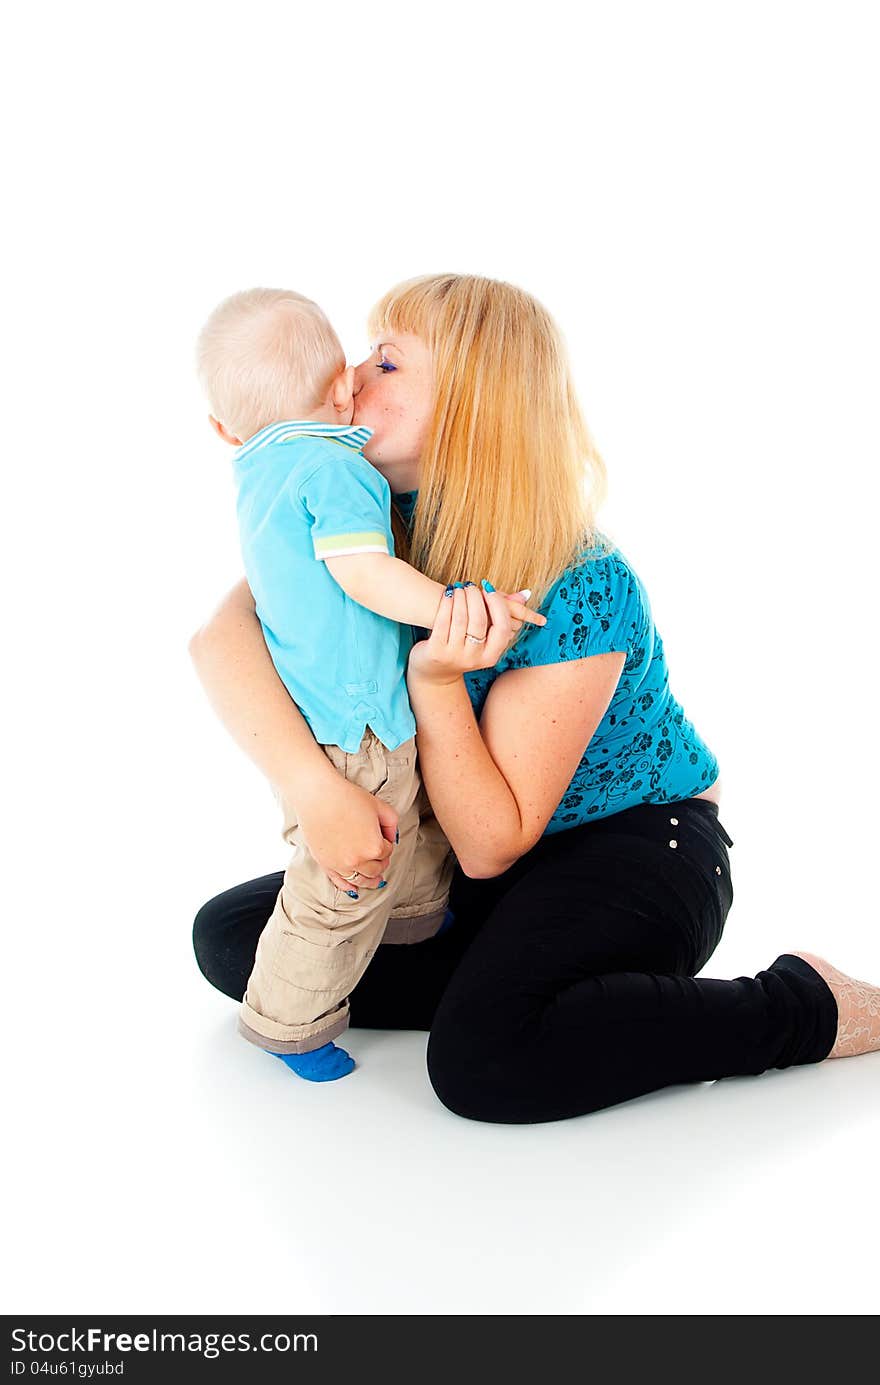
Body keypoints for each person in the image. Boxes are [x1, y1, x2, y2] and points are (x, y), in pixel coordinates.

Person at [190, 272, 880, 1123]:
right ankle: (544, 989)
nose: (350, 376)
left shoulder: (582, 577)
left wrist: (435, 679)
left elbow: (491, 843)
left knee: (484, 1064)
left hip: (633, 845)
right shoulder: (362, 519)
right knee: (235, 940)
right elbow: (219, 640)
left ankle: (806, 1004)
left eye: (388, 361)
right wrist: (316, 791)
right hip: (463, 856)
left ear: (472, 407)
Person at [194, 287, 546, 1082]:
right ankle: (289, 1025)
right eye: (362, 360)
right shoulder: (336, 471)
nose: (360, 371)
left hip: (326, 717)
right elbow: (363, 573)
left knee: (412, 833)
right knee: (342, 887)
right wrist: (456, 608)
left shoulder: (260, 471)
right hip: (359, 727)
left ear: (222, 426)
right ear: (334, 397)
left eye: (385, 360)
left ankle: (416, 925)